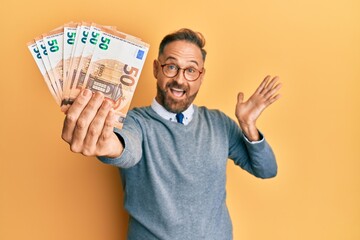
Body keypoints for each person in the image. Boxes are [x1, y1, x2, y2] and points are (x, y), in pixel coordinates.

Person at [61, 28, 282, 240]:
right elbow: (127, 148)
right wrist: (109, 145)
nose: (180, 79)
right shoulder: (135, 122)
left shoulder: (219, 124)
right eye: (171, 67)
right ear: (156, 68)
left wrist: (248, 125)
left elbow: (267, 170)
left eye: (191, 70)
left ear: (201, 76)